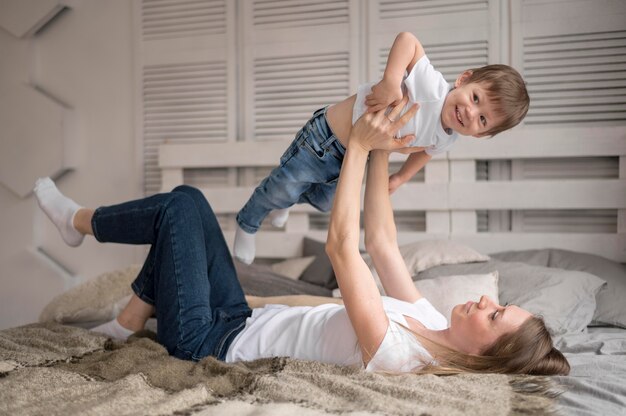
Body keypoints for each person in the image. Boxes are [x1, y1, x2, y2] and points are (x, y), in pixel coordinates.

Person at [33, 97, 567, 375]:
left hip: (207, 343)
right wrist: (383, 142)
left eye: (494, 316)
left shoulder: (398, 357)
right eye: (498, 305)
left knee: (178, 212)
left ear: (482, 358)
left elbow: (342, 248)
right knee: (191, 201)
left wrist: (356, 146)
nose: (482, 300)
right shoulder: (428, 321)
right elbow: (379, 241)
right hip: (238, 315)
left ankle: (79, 222)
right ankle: (129, 320)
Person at [233, 31, 530, 264]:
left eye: (481, 120)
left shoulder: (448, 137)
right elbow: (407, 41)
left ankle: (284, 203)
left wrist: (401, 177)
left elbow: (425, 153)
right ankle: (248, 223)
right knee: (280, 188)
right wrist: (391, 80)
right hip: (324, 139)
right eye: (475, 98)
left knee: (323, 203)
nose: (469, 112)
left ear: (480, 135)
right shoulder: (432, 87)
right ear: (464, 80)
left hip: (352, 162)